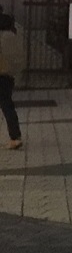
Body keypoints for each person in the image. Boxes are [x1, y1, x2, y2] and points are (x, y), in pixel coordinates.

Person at [0, 9, 25, 150]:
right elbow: (19, 58)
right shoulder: (13, 35)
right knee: (8, 106)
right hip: (8, 76)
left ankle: (15, 138)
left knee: (6, 105)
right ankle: (15, 137)